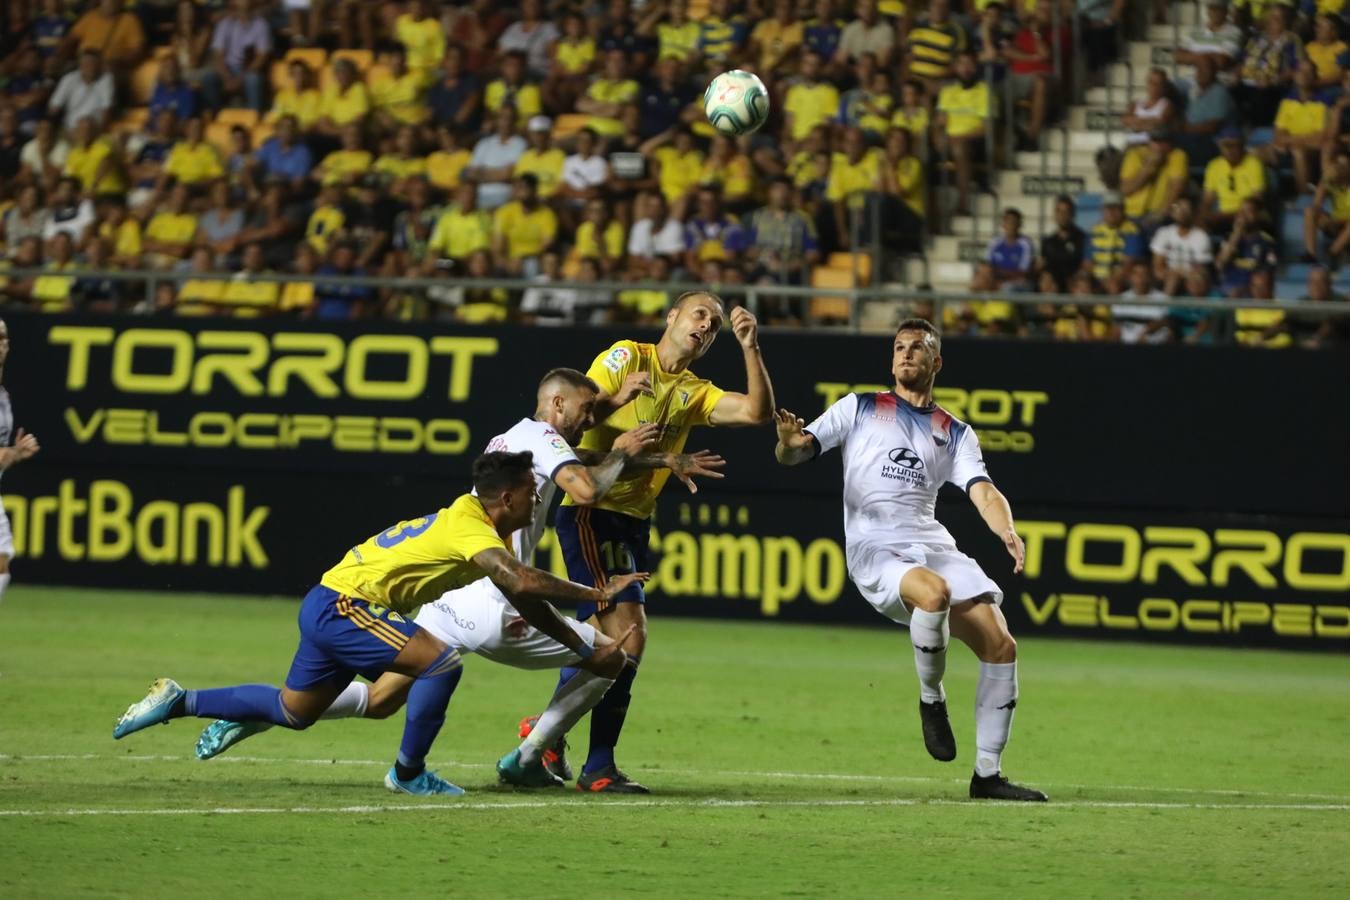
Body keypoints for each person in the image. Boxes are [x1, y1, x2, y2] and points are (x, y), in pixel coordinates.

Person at [195, 369, 726, 781]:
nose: (594, 416)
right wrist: (627, 455)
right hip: (496, 605)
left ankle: (264, 713)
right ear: (557, 404)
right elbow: (588, 487)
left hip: (451, 597)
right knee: (615, 654)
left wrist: (655, 460)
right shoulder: (542, 438)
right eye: (587, 408)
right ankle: (527, 755)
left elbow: (588, 456)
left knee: (381, 700)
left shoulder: (514, 439)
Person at [113, 450, 647, 796]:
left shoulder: (475, 521)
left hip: (328, 600)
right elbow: (524, 582)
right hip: (348, 606)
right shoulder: (473, 528)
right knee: (441, 664)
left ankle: (178, 700)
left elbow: (525, 598)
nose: (537, 502)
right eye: (532, 494)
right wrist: (596, 593)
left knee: (293, 711)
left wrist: (580, 649)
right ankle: (408, 775)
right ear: (506, 498)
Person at [772, 319, 1046, 802]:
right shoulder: (859, 407)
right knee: (933, 593)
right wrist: (788, 442)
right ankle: (931, 699)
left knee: (1002, 646)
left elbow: (981, 490)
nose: (905, 354)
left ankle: (987, 777)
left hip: (930, 542)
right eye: (899, 347)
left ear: (935, 362)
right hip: (874, 547)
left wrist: (1005, 527)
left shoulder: (954, 431)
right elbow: (794, 455)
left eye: (917, 348)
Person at [530, 292, 775, 793]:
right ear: (672, 317)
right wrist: (616, 402)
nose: (708, 325)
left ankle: (545, 735)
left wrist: (750, 347)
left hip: (632, 523)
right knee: (629, 637)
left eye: (716, 323)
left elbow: (755, 413)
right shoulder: (627, 358)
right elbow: (576, 419)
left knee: (610, 645)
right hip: (590, 512)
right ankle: (593, 764)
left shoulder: (694, 390)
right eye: (699, 313)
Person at [0, 319, 41, 603]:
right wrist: (13, 453)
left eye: (2, 336)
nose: (0, 341)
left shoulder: (4, 396)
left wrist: (14, 454)